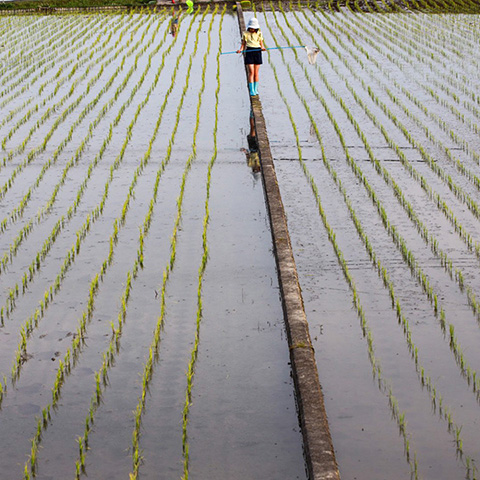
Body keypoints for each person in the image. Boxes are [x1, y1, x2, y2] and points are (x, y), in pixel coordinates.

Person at [237, 17, 266, 97]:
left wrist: (262, 48)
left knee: (256, 72)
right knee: (251, 72)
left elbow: (261, 43)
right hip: (249, 52)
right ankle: (251, 90)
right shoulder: (245, 33)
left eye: (254, 28)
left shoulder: (259, 33)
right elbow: (243, 44)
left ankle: (256, 89)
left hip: (257, 52)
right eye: (251, 28)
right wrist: (240, 50)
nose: (252, 29)